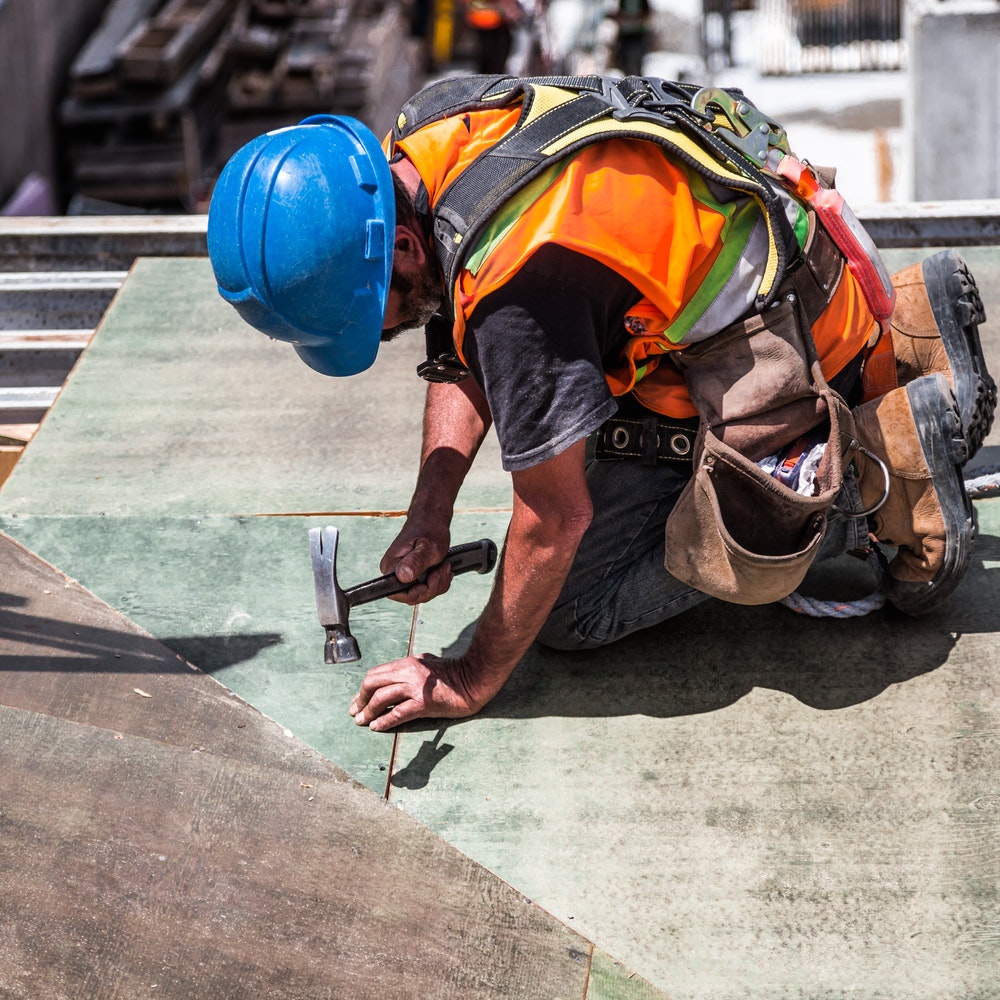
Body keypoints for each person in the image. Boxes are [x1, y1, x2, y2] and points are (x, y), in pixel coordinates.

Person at [206, 75, 995, 733]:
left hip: (784, 357)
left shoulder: (522, 286)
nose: (375, 339)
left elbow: (554, 520)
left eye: (365, 318)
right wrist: (430, 511)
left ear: (403, 247)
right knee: (565, 435)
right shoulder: (432, 133)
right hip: (797, 279)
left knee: (574, 609)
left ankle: (876, 470)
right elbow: (459, 338)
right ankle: (908, 334)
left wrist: (469, 677)